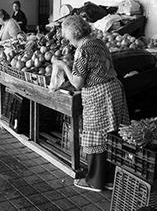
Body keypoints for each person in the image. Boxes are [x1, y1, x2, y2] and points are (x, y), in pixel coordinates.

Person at [53, 15, 129, 192]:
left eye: (67, 35)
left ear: (73, 32)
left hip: (99, 95)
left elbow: (77, 83)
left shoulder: (83, 50)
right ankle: (109, 178)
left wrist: (64, 66)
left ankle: (95, 181)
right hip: (114, 89)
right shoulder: (97, 42)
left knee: (96, 136)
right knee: (111, 134)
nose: (66, 39)